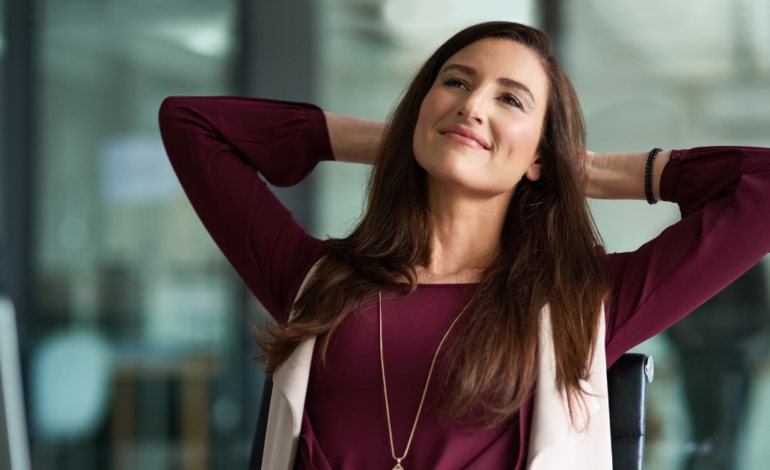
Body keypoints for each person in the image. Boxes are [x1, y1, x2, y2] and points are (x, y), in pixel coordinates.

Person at [158, 21, 770, 470]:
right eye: (455, 82)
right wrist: (406, 138)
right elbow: (189, 123)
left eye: (510, 99)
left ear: (540, 155)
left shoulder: (584, 300)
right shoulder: (316, 279)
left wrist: (593, 171)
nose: (473, 105)